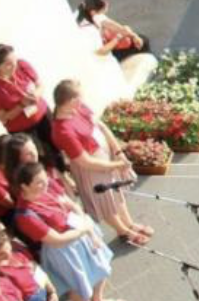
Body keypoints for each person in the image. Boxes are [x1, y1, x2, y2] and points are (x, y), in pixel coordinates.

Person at [7, 161, 123, 301]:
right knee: (75, 284)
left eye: (45, 179)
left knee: (101, 266)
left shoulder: (47, 188)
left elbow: (72, 205)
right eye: (39, 183)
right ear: (24, 186)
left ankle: (98, 299)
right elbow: (56, 240)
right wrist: (83, 230)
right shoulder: (25, 214)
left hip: (80, 232)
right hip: (63, 249)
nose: (45, 184)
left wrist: (89, 232)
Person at [49, 78, 153, 246]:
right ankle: (123, 231)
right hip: (92, 169)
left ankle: (129, 224)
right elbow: (85, 161)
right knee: (105, 202)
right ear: (71, 100)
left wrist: (118, 152)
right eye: (80, 97)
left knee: (116, 194)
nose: (83, 99)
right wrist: (117, 165)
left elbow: (101, 127)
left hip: (105, 158)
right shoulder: (62, 130)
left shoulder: (78, 108)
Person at [77, 0, 149, 61]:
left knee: (141, 39)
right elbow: (100, 52)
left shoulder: (88, 12)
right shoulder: (90, 30)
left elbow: (120, 28)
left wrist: (134, 36)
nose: (106, 6)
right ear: (93, 12)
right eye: (102, 9)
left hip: (107, 43)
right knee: (142, 44)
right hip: (96, 54)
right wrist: (118, 37)